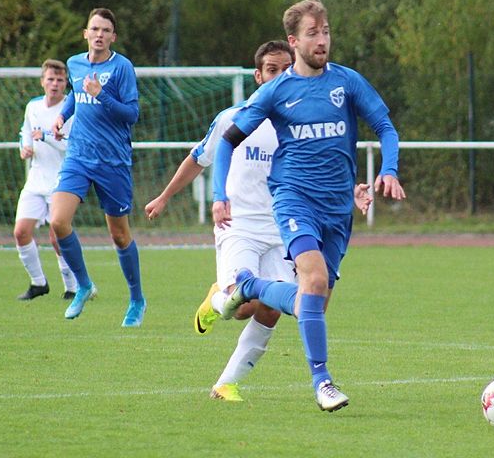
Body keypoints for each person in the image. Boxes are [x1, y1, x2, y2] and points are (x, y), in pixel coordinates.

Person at [145, 40, 372, 402]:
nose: (280, 76)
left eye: (286, 69)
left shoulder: (306, 118)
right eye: (271, 70)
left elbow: (327, 164)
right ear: (257, 75)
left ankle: (226, 382)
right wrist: (165, 196)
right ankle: (218, 298)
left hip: (286, 227)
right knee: (239, 305)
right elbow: (197, 159)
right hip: (240, 227)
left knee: (269, 309)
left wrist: (350, 191)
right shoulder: (232, 119)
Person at [212, 0, 406, 412]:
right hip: (294, 199)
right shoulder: (277, 92)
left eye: (326, 31)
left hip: (338, 210)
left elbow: (386, 126)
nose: (322, 40)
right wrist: (219, 194)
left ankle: (249, 286)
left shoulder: (346, 82)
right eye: (313, 33)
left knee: (309, 304)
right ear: (293, 40)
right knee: (313, 282)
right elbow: (227, 141)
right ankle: (323, 382)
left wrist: (388, 169)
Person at [50, 8, 145, 327]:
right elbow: (76, 96)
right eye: (95, 29)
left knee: (119, 235)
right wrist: (63, 115)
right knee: (58, 220)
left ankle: (136, 299)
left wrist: (101, 94)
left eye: (106, 30)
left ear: (113, 37)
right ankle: (84, 285)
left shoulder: (122, 68)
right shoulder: (75, 63)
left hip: (113, 160)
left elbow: (131, 114)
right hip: (78, 155)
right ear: (85, 33)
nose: (100, 34)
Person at [13, 59, 79, 301]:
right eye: (50, 79)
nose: (55, 84)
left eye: (60, 80)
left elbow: (73, 145)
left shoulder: (69, 111)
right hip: (35, 181)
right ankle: (38, 283)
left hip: (61, 183)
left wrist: (47, 138)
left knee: (57, 236)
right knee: (21, 232)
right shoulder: (33, 107)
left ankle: (72, 287)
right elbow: (25, 132)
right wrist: (25, 147)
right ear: (42, 81)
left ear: (66, 84)